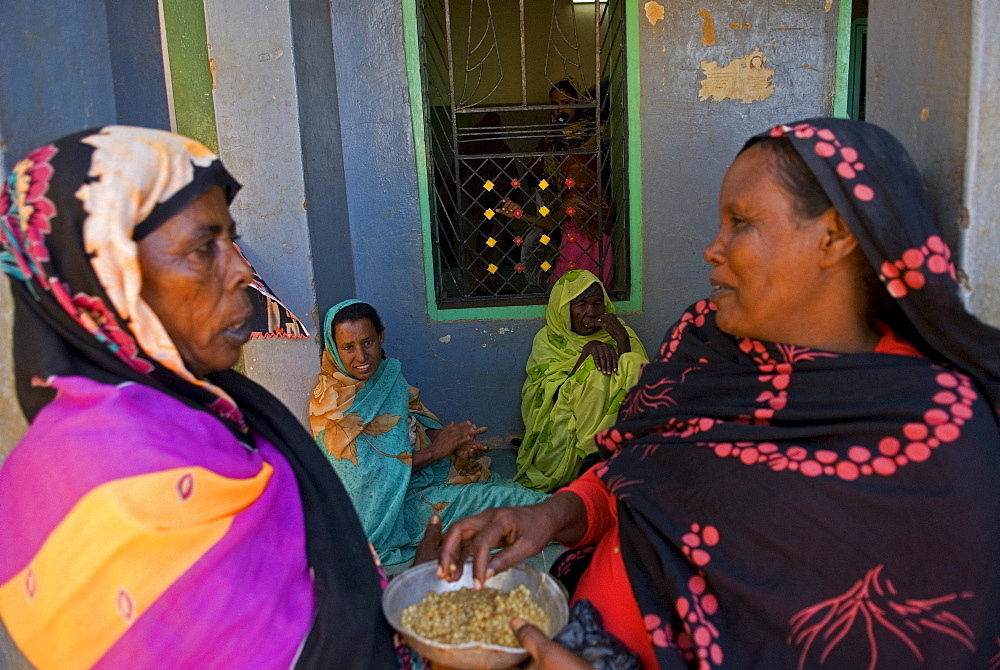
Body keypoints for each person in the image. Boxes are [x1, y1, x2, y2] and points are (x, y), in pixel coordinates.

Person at [437, 118, 1000, 668]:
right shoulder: (705, 345)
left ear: (834, 237)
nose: (713, 248)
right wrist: (557, 513)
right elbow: (641, 474)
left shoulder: (930, 435)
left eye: (741, 223)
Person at [0, 126, 410, 668]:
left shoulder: (204, 405)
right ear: (108, 277)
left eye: (230, 241)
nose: (241, 269)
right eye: (203, 247)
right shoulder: (108, 481)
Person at [310, 299, 549, 568]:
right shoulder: (331, 407)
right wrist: (438, 451)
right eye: (348, 348)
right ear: (333, 349)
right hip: (387, 516)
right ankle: (574, 517)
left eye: (368, 342)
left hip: (420, 483)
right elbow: (369, 481)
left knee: (498, 496)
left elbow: (418, 423)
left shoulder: (387, 376)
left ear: (381, 336)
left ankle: (572, 514)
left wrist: (453, 446)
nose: (362, 357)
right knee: (503, 503)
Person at [515, 270, 647, 492]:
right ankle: (595, 462)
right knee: (593, 372)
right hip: (565, 433)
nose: (591, 312)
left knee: (634, 362)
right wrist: (586, 354)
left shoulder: (620, 332)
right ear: (565, 310)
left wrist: (622, 341)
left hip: (616, 429)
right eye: (581, 305)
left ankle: (620, 458)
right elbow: (550, 398)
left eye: (597, 303)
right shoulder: (549, 340)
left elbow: (637, 387)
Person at [502, 79, 614, 287]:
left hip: (590, 213)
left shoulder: (599, 132)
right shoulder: (552, 139)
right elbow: (532, 177)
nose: (560, 110)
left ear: (579, 103)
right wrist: (545, 144)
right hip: (558, 208)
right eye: (555, 105)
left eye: (566, 103)